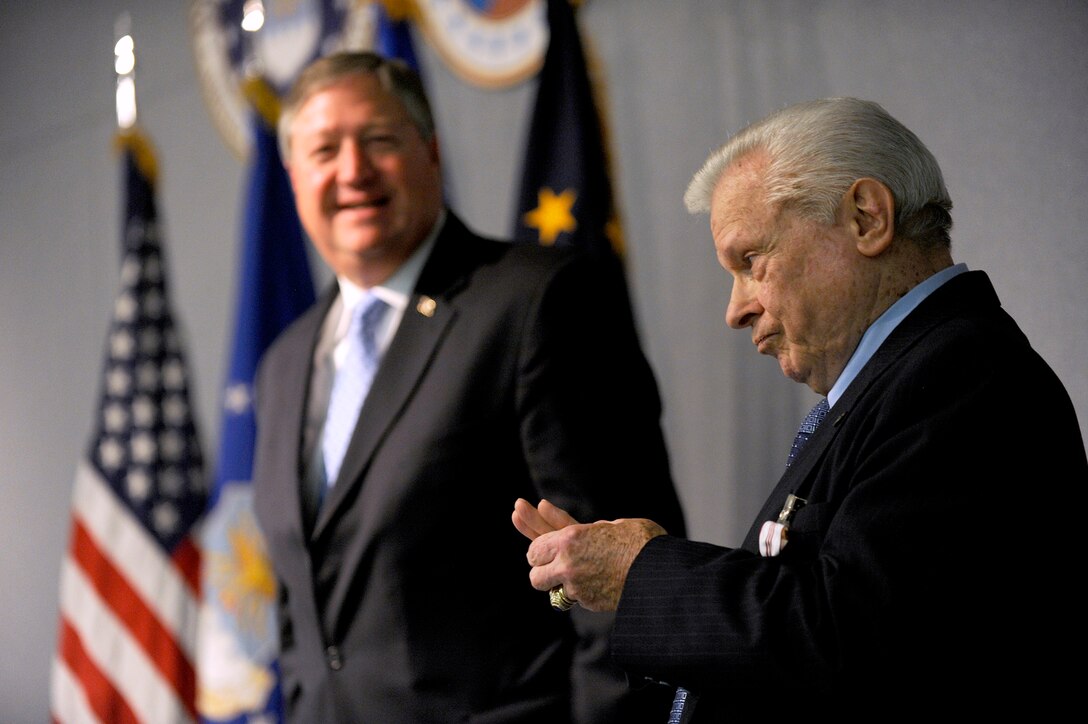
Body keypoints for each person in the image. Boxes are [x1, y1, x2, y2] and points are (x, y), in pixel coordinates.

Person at [514, 97, 1087, 720]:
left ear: (867, 219)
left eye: (750, 262)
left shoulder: (965, 375)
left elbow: (846, 634)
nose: (736, 309)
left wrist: (642, 575)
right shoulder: (897, 382)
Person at [250, 51, 685, 722]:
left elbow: (625, 585)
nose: (353, 171)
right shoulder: (283, 363)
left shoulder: (537, 302)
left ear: (430, 151)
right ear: (293, 176)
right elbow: (304, 615)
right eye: (324, 150)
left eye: (379, 140)